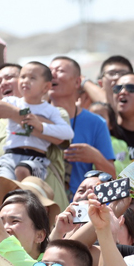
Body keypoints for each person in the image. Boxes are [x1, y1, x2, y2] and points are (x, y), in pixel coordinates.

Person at [0, 61, 73, 181]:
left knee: (22, 171)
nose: (25, 81)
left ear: (46, 87)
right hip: (10, 157)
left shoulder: (53, 111)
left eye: (32, 78)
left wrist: (40, 125)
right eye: (23, 77)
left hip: (36, 161)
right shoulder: (10, 103)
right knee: (4, 182)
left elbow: (65, 135)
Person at [49, 56, 116, 193]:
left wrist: (96, 157)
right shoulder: (35, 118)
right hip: (40, 206)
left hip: (79, 207)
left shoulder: (96, 123)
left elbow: (112, 178)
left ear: (77, 82)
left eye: (59, 70)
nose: (52, 75)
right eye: (49, 71)